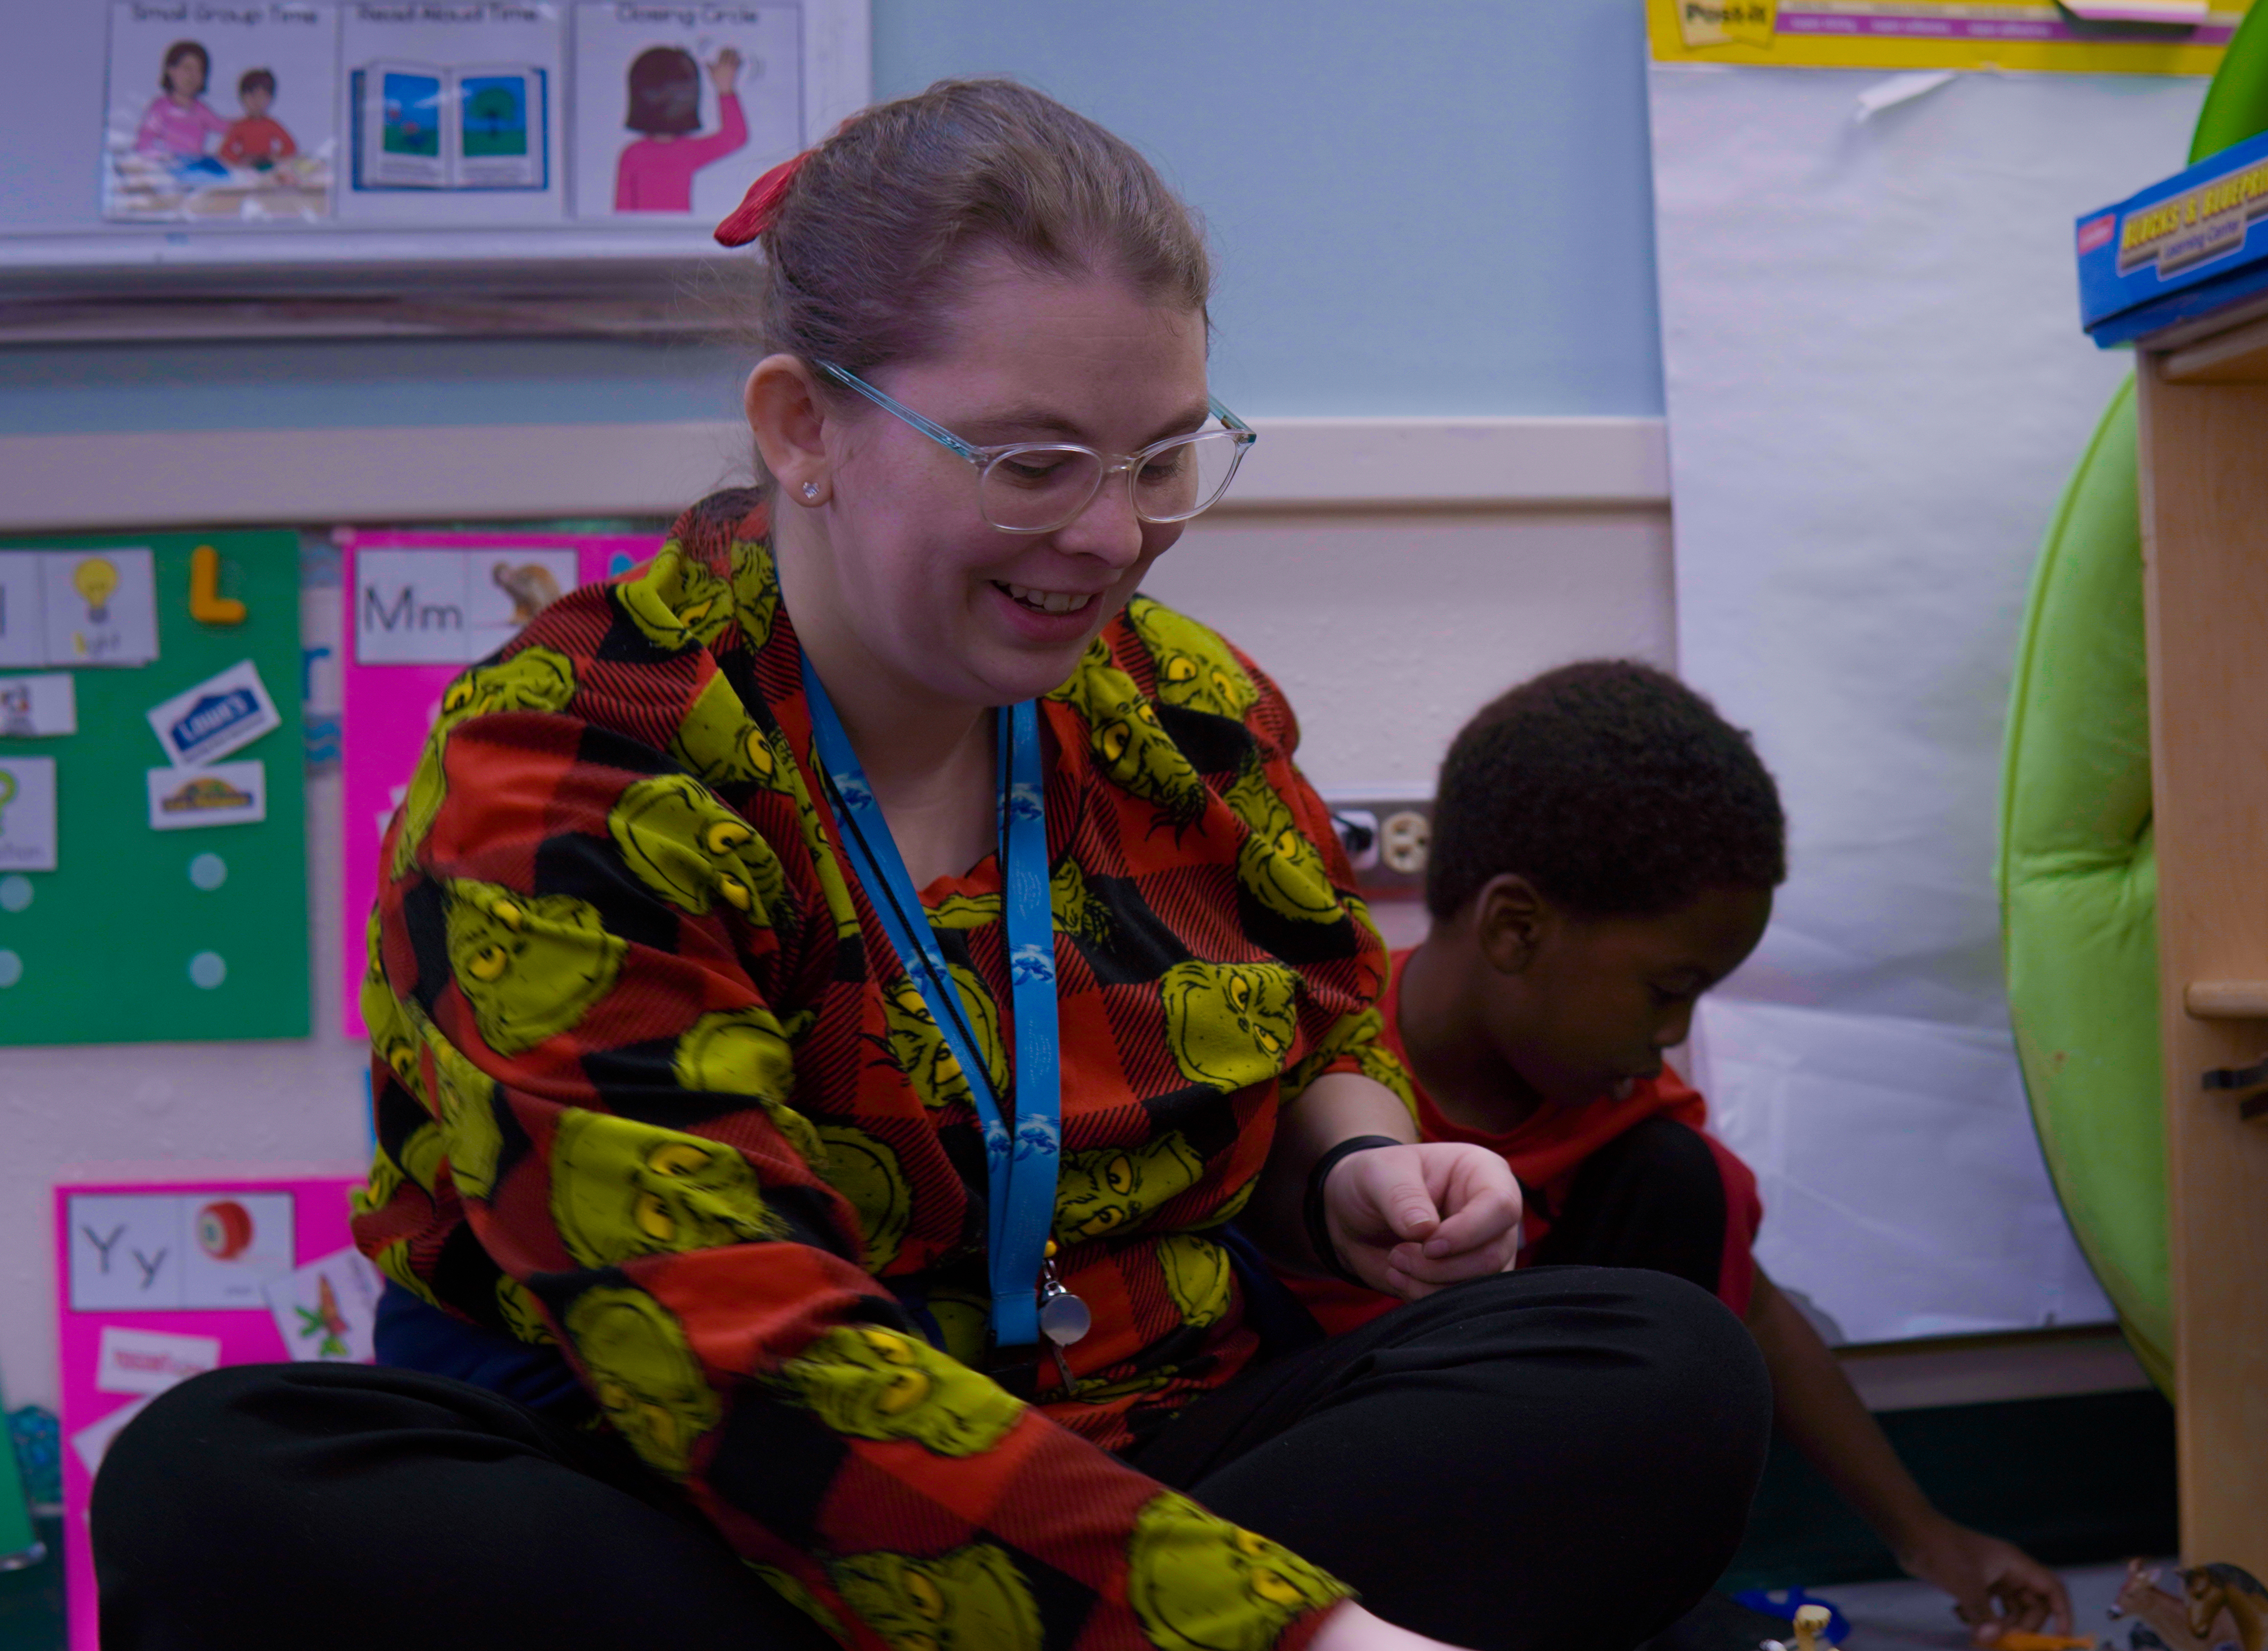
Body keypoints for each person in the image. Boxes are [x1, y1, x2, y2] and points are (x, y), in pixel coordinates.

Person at [91, 81, 1768, 1651]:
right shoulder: (564, 766)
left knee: (1657, 1362)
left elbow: (1319, 1008)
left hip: (1145, 1437)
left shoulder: (1184, 708)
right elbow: (720, 1337)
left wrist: (1360, 1164)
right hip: (722, 1480)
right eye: (1031, 462)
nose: (1111, 535)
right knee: (222, 1474)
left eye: (1164, 456)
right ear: (804, 427)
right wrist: (1305, 1627)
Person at [1290, 662, 2074, 1645]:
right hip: (1345, 1531)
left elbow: (1751, 1304)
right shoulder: (1319, 1073)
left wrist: (1930, 1540)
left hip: (1550, 1535)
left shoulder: (1617, 1112)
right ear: (1515, 927)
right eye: (1668, 989)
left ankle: (1625, 1601)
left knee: (1684, 1175)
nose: (1674, 1033)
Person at [616, 44, 749, 212]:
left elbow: (735, 137)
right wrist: (725, 89)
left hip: (670, 235)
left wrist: (725, 90)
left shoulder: (635, 154)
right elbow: (622, 211)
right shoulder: (634, 154)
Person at [134, 40, 227, 170]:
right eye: (187, 68)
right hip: (169, 167)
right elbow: (144, 142)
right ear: (171, 70)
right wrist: (163, 159)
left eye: (199, 70)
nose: (192, 76)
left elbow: (225, 127)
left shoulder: (201, 110)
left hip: (195, 166)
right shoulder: (160, 108)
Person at [218, 68, 297, 170]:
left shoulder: (271, 124)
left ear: (270, 98)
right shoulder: (240, 126)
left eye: (261, 96)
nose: (256, 101)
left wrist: (277, 157)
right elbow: (225, 150)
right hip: (247, 168)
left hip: (268, 166)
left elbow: (290, 145)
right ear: (242, 98)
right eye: (251, 96)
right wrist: (239, 160)